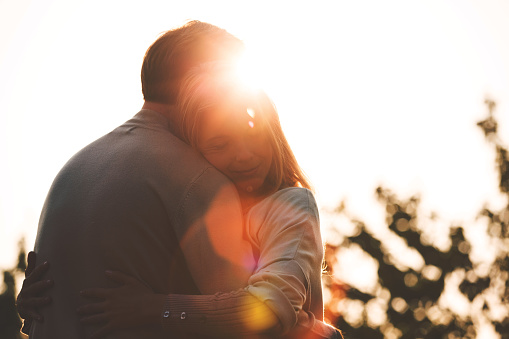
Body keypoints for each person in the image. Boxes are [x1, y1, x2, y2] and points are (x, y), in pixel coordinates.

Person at [17, 26, 343, 339]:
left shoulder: (76, 167)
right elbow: (258, 320)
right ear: (194, 81)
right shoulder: (197, 180)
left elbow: (264, 313)